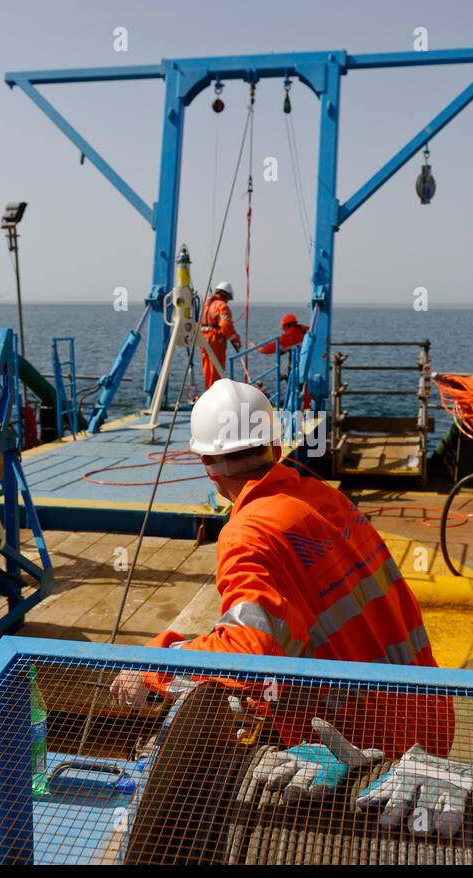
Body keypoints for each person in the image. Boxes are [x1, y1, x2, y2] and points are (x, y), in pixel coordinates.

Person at [110, 380, 453, 760]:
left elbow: (250, 651)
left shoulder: (246, 534)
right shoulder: (328, 498)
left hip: (364, 751)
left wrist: (153, 667)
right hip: (429, 716)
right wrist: (265, 698)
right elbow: (311, 623)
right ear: (275, 446)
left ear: (207, 465)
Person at [198, 281, 241, 391]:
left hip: (203, 341)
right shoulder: (222, 306)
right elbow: (225, 326)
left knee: (207, 371)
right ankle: (214, 394)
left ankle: (208, 392)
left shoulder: (206, 305)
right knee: (216, 371)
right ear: (226, 295)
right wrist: (236, 339)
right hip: (216, 341)